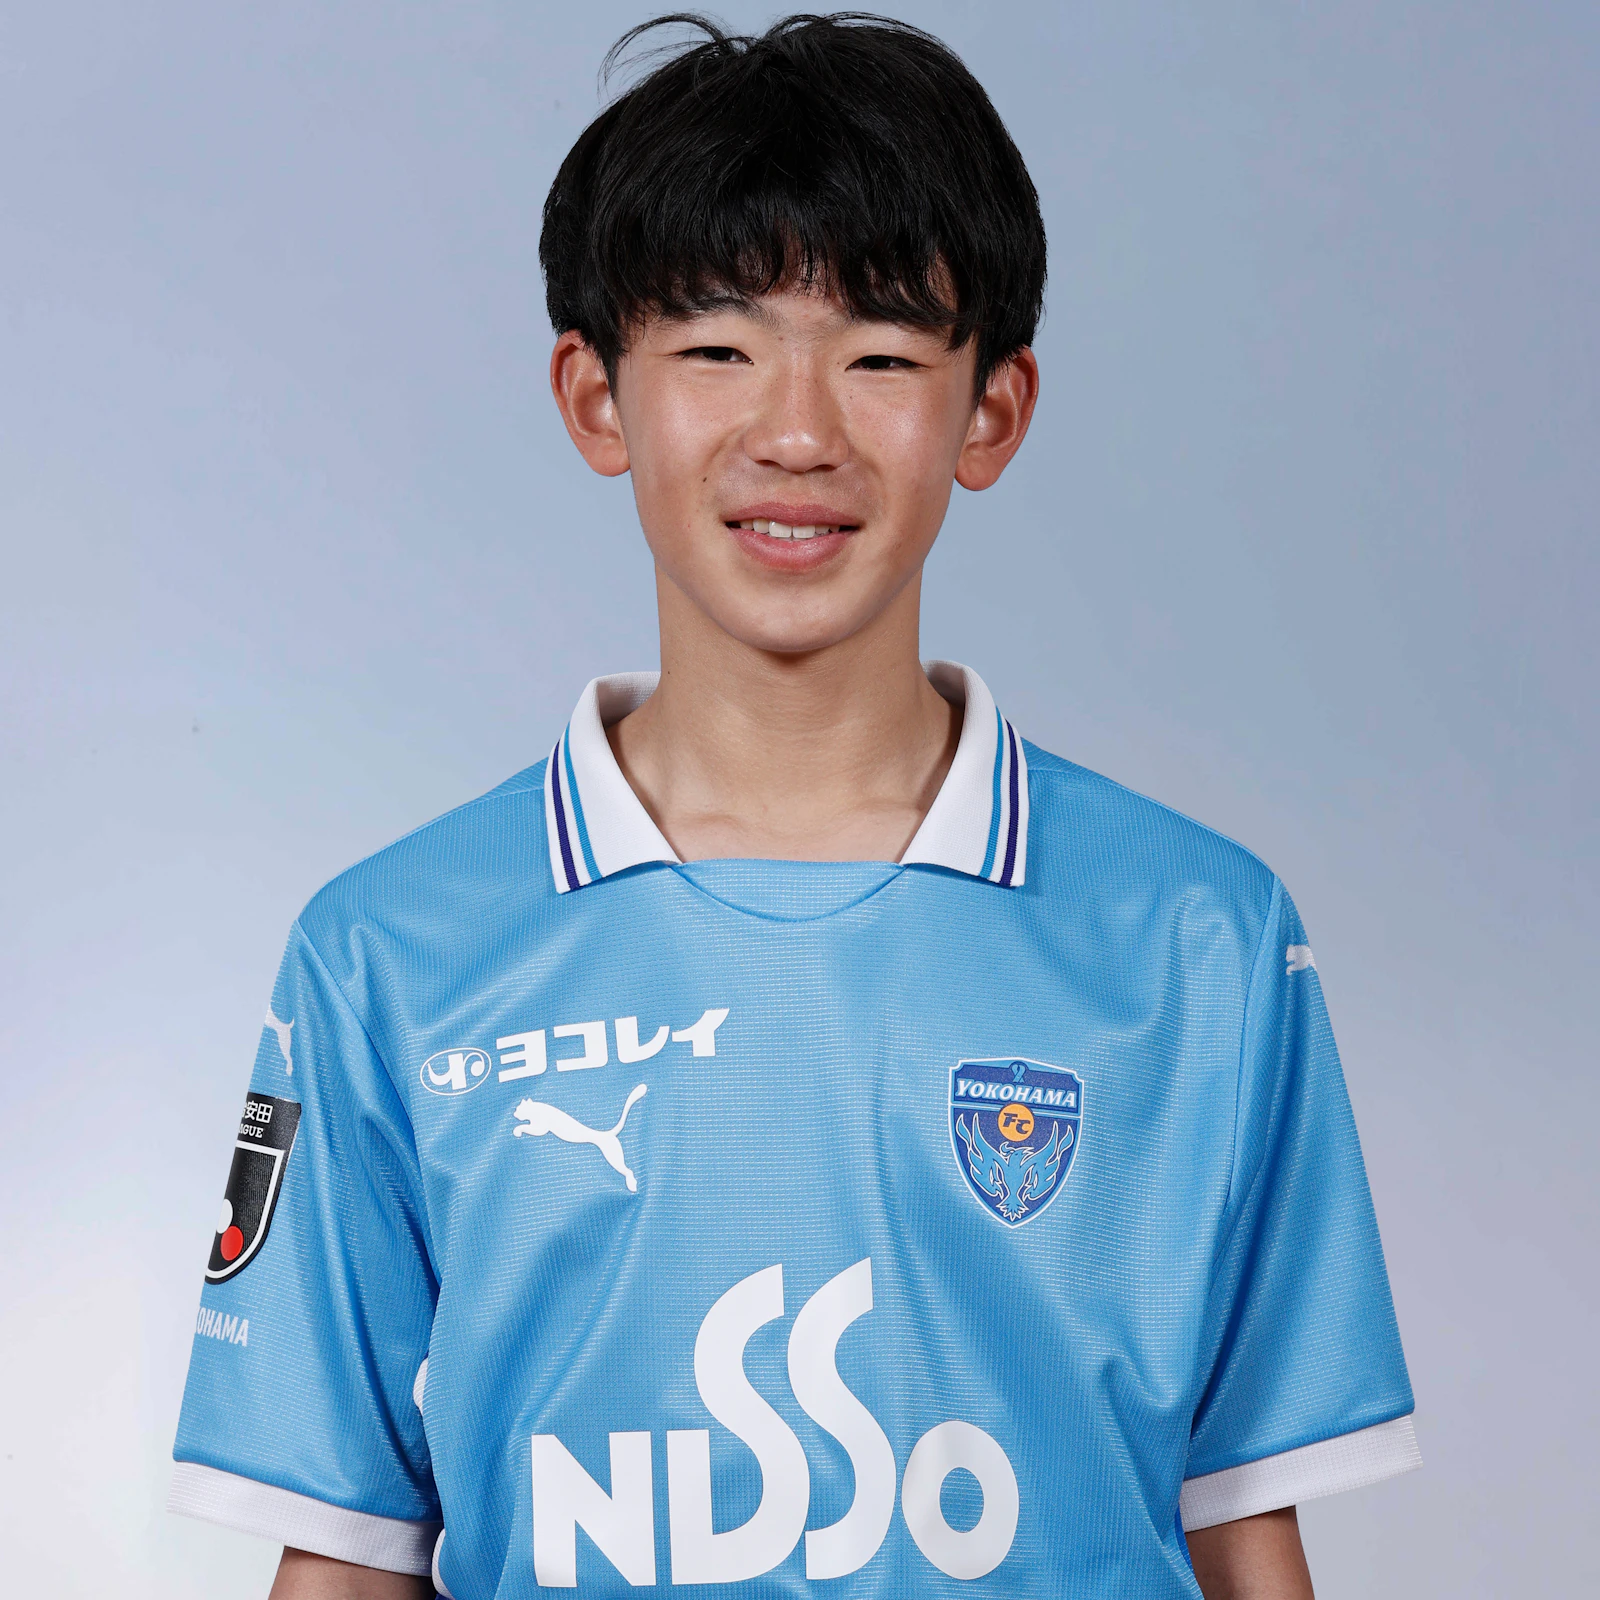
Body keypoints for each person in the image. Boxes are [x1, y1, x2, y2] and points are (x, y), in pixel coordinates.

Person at [170, 15, 1418, 1599]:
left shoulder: (1198, 936)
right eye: (717, 349)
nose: (800, 432)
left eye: (882, 356)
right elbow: (347, 1555)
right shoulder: (389, 953)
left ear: (992, 410)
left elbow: (1242, 1524)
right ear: (596, 397)